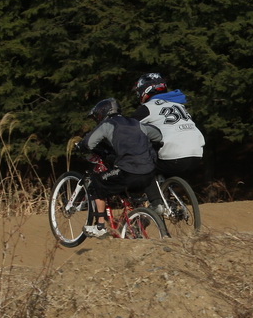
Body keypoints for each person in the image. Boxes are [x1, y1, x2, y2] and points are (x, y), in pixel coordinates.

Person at [76, 98, 162, 238]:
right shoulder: (137, 123)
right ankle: (152, 208)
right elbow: (158, 135)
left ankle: (100, 226)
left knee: (96, 182)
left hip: (128, 171)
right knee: (131, 188)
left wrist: (81, 145)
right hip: (148, 172)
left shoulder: (108, 124)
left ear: (102, 113)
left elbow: (89, 143)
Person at [132, 73, 205, 212]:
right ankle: (169, 199)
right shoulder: (178, 105)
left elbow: (127, 128)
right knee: (160, 158)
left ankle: (156, 203)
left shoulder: (148, 107)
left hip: (175, 155)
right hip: (197, 153)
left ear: (145, 90)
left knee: (143, 166)